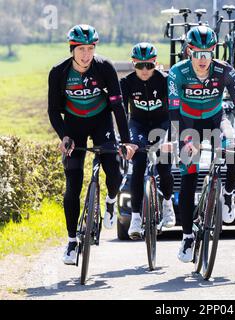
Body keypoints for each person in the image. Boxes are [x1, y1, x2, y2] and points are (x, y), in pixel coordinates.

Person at [168, 26, 235, 263]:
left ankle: (228, 195)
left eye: (207, 54)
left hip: (217, 119)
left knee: (234, 153)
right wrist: (185, 141)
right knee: (188, 177)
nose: (202, 60)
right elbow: (173, 112)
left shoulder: (225, 71)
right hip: (187, 124)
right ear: (189, 52)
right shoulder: (177, 73)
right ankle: (187, 236)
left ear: (213, 52)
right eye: (197, 54)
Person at [48, 24, 136, 265]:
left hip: (101, 122)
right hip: (73, 127)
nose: (86, 54)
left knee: (114, 171)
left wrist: (126, 141)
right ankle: (71, 242)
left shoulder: (104, 68)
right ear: (72, 49)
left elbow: (118, 106)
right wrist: (64, 137)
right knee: (72, 185)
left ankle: (109, 202)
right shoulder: (59, 73)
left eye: (90, 48)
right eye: (81, 49)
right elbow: (54, 111)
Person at [120, 42, 176, 239]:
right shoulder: (126, 83)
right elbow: (121, 112)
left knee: (164, 166)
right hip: (138, 125)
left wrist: (171, 138)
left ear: (155, 64)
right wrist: (126, 140)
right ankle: (135, 217)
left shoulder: (166, 81)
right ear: (133, 64)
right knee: (138, 165)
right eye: (139, 65)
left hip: (162, 124)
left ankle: (168, 204)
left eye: (149, 66)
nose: (144, 70)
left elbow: (175, 111)